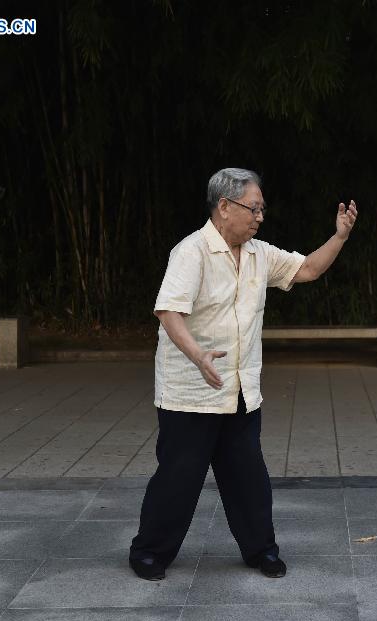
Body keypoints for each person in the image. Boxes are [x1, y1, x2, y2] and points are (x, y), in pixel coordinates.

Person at [129, 167, 357, 580]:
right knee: (178, 479)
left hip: (239, 391)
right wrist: (197, 354)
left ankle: (261, 551)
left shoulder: (258, 254)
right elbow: (168, 311)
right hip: (191, 394)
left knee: (249, 480)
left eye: (261, 209)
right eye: (253, 208)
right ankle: (149, 552)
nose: (259, 217)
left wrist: (339, 236)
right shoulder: (191, 252)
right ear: (224, 207)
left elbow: (306, 270)